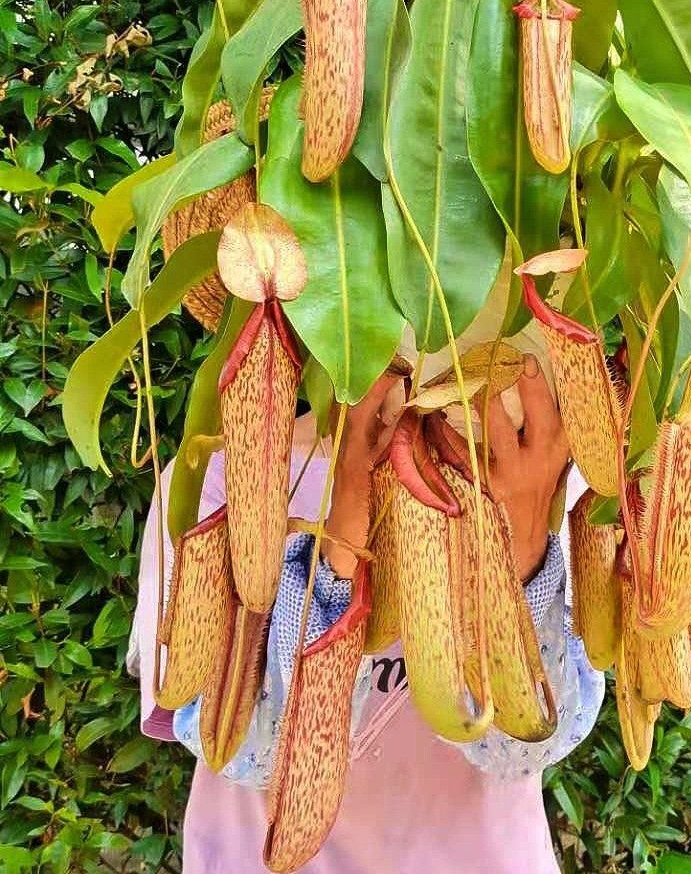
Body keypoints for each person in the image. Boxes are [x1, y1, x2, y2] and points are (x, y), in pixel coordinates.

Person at [129, 354, 604, 874]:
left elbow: (524, 744)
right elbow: (240, 749)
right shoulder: (226, 476)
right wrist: (345, 516)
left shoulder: (540, 474)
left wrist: (524, 540)